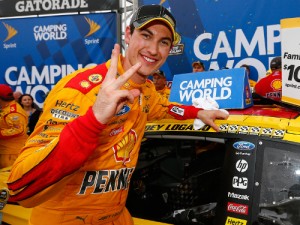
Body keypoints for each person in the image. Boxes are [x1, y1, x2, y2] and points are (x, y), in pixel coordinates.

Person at [7, 5, 228, 225]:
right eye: (146, 35)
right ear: (128, 35)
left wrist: (197, 111)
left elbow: (164, 107)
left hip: (116, 215)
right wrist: (94, 120)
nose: (153, 49)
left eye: (164, 42)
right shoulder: (80, 89)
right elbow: (20, 186)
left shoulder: (146, 91)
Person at [0, 84, 28, 169]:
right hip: (7, 150)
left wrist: (1, 133)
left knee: (8, 178)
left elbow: (19, 130)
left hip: (12, 153)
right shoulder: (6, 108)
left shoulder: (13, 111)